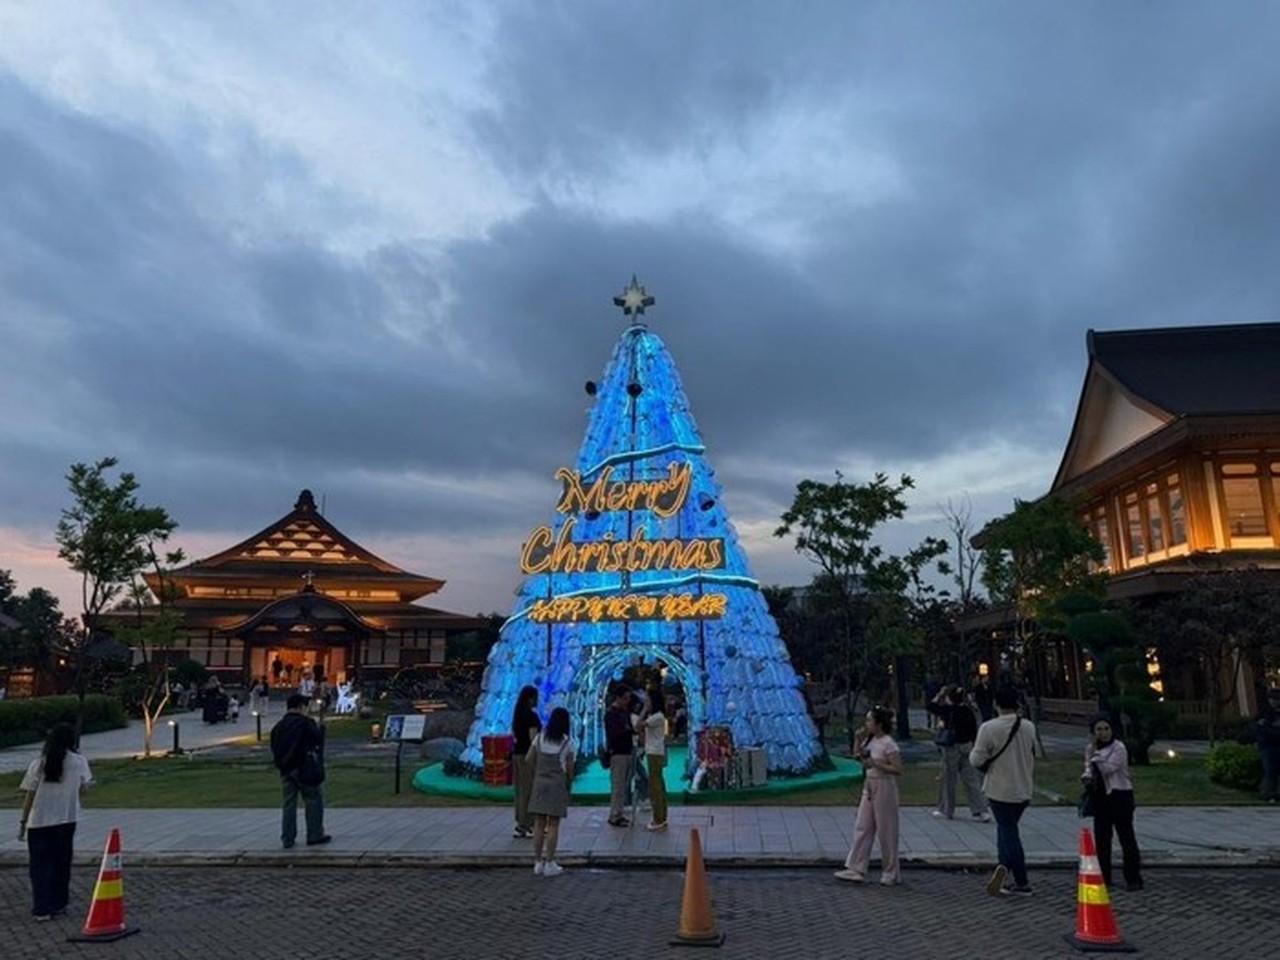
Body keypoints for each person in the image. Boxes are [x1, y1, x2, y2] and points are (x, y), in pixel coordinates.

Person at [18, 723, 92, 921]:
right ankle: (58, 903)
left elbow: (29, 795)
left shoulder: (39, 763)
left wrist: (23, 822)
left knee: (40, 866)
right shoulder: (79, 762)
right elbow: (84, 788)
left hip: (39, 821)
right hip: (66, 818)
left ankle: (41, 907)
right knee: (61, 863)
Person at [970, 684, 1037, 897]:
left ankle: (1021, 879)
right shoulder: (1028, 726)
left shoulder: (989, 728)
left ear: (996, 704)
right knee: (1005, 829)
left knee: (1009, 833)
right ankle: (1002, 870)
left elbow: (976, 759)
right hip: (1023, 786)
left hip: (999, 787)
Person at [834, 705, 903, 886]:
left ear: (879, 724)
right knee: (862, 826)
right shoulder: (870, 740)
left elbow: (897, 769)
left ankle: (891, 871)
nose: (867, 724)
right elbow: (859, 756)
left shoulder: (889, 744)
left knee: (886, 830)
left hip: (885, 786)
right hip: (869, 786)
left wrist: (877, 764)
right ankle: (856, 867)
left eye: (870, 720)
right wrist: (858, 739)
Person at [1083, 715, 1143, 891]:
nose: (1103, 733)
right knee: (1102, 840)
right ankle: (1104, 878)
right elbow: (1088, 767)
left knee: (1126, 838)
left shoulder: (1119, 748)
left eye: (1106, 729)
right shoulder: (1090, 748)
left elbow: (1108, 769)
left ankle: (1133, 878)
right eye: (1099, 730)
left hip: (1120, 796)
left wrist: (1095, 755)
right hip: (1101, 798)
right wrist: (1087, 775)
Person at [270, 693, 330, 849]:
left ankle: (287, 837)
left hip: (286, 768)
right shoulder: (306, 723)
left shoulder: (279, 726)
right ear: (301, 707)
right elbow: (316, 740)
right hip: (305, 768)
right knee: (313, 800)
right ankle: (315, 833)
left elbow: (274, 747)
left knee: (289, 804)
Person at [927, 686, 991, 822]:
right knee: (972, 780)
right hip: (967, 746)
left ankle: (946, 810)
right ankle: (980, 810)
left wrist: (939, 695)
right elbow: (974, 730)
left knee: (949, 780)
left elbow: (931, 706)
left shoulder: (948, 711)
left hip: (951, 747)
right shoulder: (968, 711)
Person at [528, 706, 575, 877]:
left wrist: (538, 772)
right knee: (553, 824)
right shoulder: (567, 741)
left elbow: (529, 759)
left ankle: (537, 861)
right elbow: (570, 768)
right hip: (556, 784)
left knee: (539, 823)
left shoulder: (540, 738)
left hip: (540, 782)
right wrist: (569, 783)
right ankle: (550, 861)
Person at [511, 685, 542, 838]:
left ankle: (520, 823)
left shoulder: (517, 715)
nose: (538, 700)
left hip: (517, 754)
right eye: (536, 697)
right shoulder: (531, 716)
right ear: (530, 698)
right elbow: (534, 739)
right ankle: (528, 824)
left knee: (520, 790)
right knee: (528, 790)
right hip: (527, 755)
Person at [604, 685, 634, 827]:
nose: (627, 701)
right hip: (618, 752)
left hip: (627, 751)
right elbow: (613, 734)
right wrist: (627, 731)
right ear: (618, 698)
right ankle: (615, 815)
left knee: (623, 785)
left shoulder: (624, 712)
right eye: (625, 698)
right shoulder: (611, 714)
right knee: (618, 785)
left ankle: (619, 813)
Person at [641, 688, 669, 831]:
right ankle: (662, 816)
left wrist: (644, 710)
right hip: (655, 752)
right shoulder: (658, 716)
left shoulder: (656, 717)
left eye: (647, 699)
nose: (645, 701)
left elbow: (638, 725)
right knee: (658, 785)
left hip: (654, 753)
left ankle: (658, 818)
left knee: (655, 787)